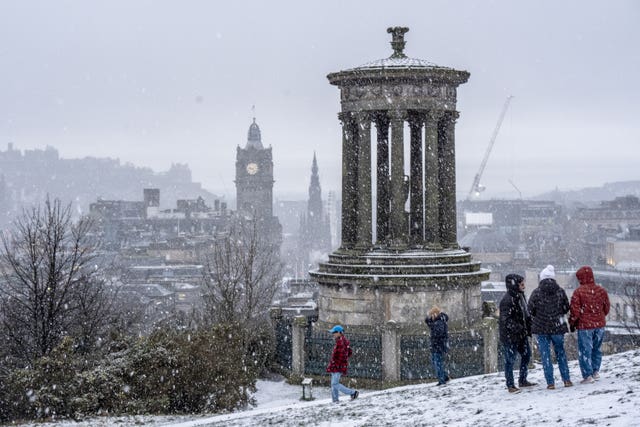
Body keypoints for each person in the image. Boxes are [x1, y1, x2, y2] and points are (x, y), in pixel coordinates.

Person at [528, 265, 573, 390]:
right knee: (561, 353)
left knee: (545, 355)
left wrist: (539, 317)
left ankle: (550, 382)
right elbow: (566, 308)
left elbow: (530, 309)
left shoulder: (536, 293)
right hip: (557, 327)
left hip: (541, 328)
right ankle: (566, 379)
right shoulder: (560, 291)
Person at [569, 265, 610, 384]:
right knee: (596, 349)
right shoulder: (601, 290)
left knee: (585, 350)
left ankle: (587, 375)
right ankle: (595, 371)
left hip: (585, 326)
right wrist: (600, 316)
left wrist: (572, 322)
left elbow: (575, 311)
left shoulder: (578, 292)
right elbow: (606, 307)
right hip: (600, 324)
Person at [499, 274, 536, 393]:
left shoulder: (519, 297)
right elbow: (506, 320)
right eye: (521, 284)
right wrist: (520, 327)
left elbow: (525, 314)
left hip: (520, 334)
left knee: (526, 355)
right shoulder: (507, 300)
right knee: (510, 360)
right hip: (511, 336)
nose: (524, 286)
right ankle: (510, 384)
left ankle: (522, 380)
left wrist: (527, 326)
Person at [326, 325, 358, 403]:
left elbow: (343, 355)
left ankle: (353, 393)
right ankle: (335, 400)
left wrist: (337, 363)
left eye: (334, 332)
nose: (333, 334)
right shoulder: (342, 341)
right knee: (333, 384)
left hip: (337, 366)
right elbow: (349, 352)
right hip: (336, 366)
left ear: (340, 333)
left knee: (335, 384)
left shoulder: (341, 342)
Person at [425, 306, 450, 386]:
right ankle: (444, 377)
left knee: (437, 363)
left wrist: (432, 326)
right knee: (435, 362)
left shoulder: (439, 322)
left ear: (435, 314)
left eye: (432, 315)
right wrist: (429, 320)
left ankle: (442, 380)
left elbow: (439, 333)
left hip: (438, 345)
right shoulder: (437, 321)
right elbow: (428, 323)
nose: (431, 316)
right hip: (436, 345)